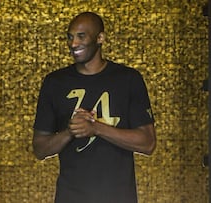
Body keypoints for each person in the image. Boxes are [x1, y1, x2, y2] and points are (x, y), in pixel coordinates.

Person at [33, 11, 156, 203]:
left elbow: (148, 143)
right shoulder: (54, 82)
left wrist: (96, 127)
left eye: (81, 36)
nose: (73, 44)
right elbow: (40, 149)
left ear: (100, 38)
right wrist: (71, 131)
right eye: (70, 37)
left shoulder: (128, 79)